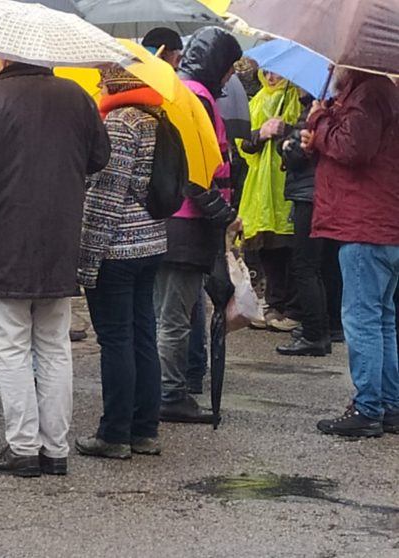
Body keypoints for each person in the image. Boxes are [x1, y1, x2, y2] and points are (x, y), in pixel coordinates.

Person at [0, 57, 110, 478]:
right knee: (54, 345)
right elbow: (99, 156)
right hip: (59, 235)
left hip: (2, 235)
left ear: (4, 56)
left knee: (12, 345)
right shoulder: (77, 98)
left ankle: (22, 446)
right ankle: (55, 447)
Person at [73, 66, 169, 460]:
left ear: (119, 82)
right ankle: (145, 429)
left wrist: (87, 259)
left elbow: (106, 198)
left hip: (117, 248)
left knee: (116, 340)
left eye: (104, 79)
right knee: (144, 336)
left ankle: (114, 433)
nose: (99, 86)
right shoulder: (155, 120)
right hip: (151, 243)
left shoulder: (119, 123)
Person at [304, 69, 399, 437]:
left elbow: (353, 148)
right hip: (382, 223)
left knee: (362, 319)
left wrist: (320, 118)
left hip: (365, 223)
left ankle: (368, 406)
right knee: (382, 319)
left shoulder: (368, 94)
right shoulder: (379, 92)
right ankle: (389, 403)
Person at [157, 28, 242, 425]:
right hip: (187, 225)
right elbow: (199, 170)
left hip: (171, 221)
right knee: (174, 315)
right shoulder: (199, 99)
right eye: (228, 69)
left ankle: (174, 385)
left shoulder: (179, 90)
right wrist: (224, 214)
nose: (229, 78)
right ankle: (169, 393)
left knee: (174, 312)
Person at [277, 86, 339, 356]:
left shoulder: (319, 109)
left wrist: (286, 143)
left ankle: (315, 332)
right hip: (321, 194)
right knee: (321, 265)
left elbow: (298, 152)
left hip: (309, 195)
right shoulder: (332, 110)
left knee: (305, 265)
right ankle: (323, 326)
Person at [239, 72, 302, 333]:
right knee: (266, 246)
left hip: (284, 184)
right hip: (259, 187)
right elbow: (242, 143)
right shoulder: (256, 101)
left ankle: (291, 308)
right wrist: (260, 133)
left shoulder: (294, 99)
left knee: (288, 248)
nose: (271, 77)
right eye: (267, 72)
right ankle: (274, 304)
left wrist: (285, 130)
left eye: (276, 72)